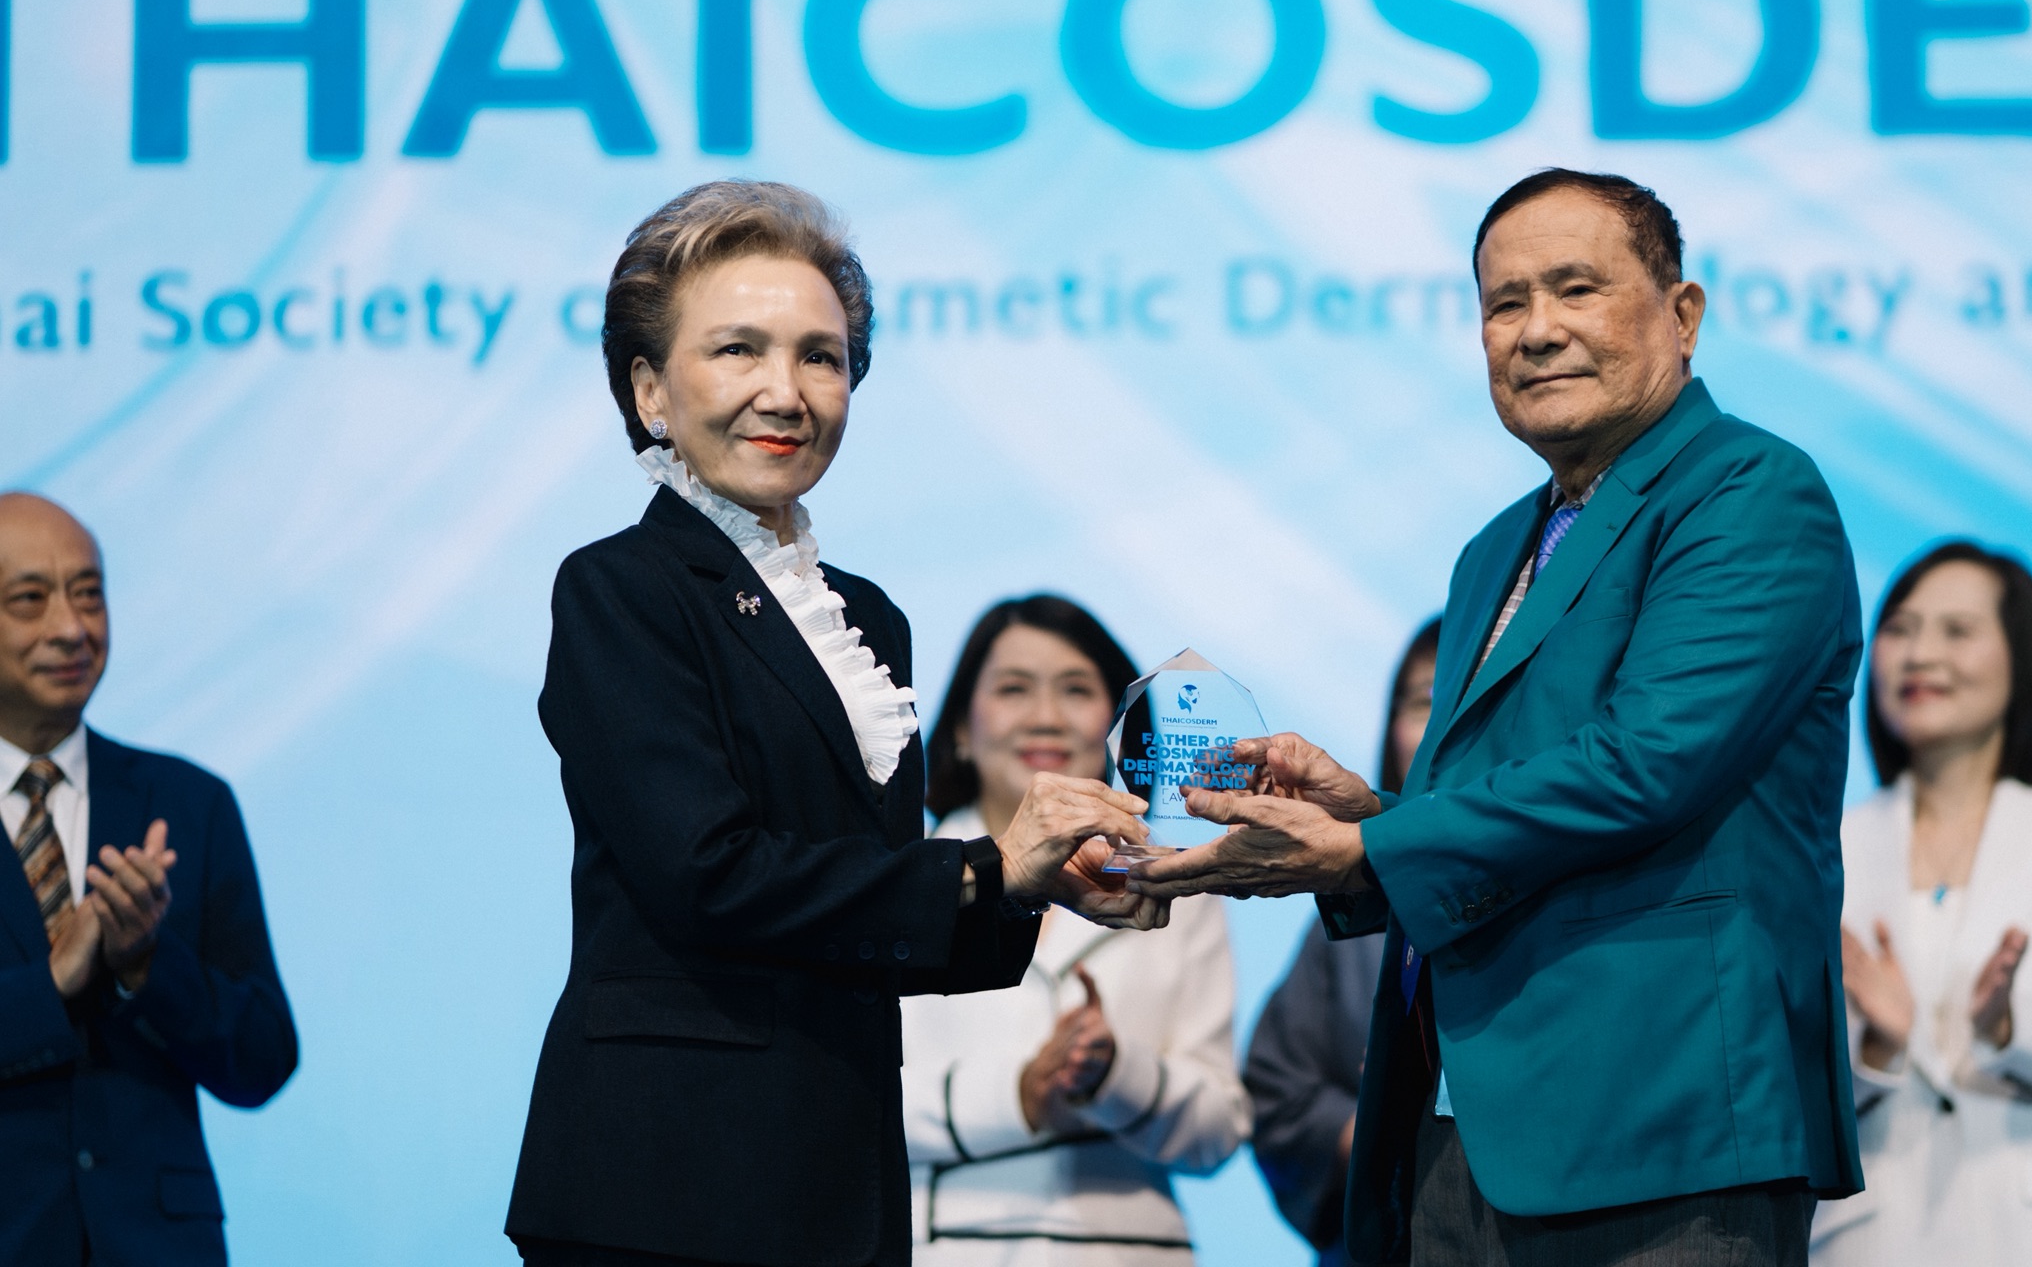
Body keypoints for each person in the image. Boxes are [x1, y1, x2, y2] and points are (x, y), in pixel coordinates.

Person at [1137, 168, 1865, 1267]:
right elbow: (1510, 801)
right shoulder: (1495, 549)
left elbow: (1646, 764)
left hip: (1662, 1118)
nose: (1537, 330)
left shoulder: (1751, 490)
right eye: (1504, 303)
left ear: (1683, 315)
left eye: (1576, 288)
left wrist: (1372, 849)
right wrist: (1367, 816)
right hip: (1462, 1128)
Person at [505, 182, 1163, 1267]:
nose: (787, 392)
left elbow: (868, 904)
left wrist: (1028, 886)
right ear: (649, 389)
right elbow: (707, 874)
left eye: (822, 356)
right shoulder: (619, 587)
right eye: (738, 350)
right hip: (666, 1180)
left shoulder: (866, 617)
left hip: (836, 1164)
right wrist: (984, 870)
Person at [1816, 541, 2032, 1265]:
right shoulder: (1825, 848)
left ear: (2021, 658)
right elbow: (1782, 1105)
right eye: (1900, 629)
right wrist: (1875, 1048)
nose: (1921, 655)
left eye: (1957, 631)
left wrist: (2016, 1029)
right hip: (1873, 1240)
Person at [902, 594, 1250, 1264]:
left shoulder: (1177, 884)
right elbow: (847, 1103)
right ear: (963, 727)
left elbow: (1219, 1131)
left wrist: (1116, 1075)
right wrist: (1020, 1093)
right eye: (1013, 689)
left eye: (1076, 689)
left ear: (1117, 727)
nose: (1046, 715)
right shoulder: (908, 881)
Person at [0, 491, 297, 1267]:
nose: (73, 628)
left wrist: (146, 965)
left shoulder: (188, 803)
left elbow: (263, 1057)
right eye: (30, 600)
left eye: (89, 594)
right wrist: (51, 984)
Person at [1244, 618, 1439, 1265]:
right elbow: (1274, 1092)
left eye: (1467, 697)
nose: (1446, 719)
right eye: (1424, 700)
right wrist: (1367, 1124)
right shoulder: (1352, 912)